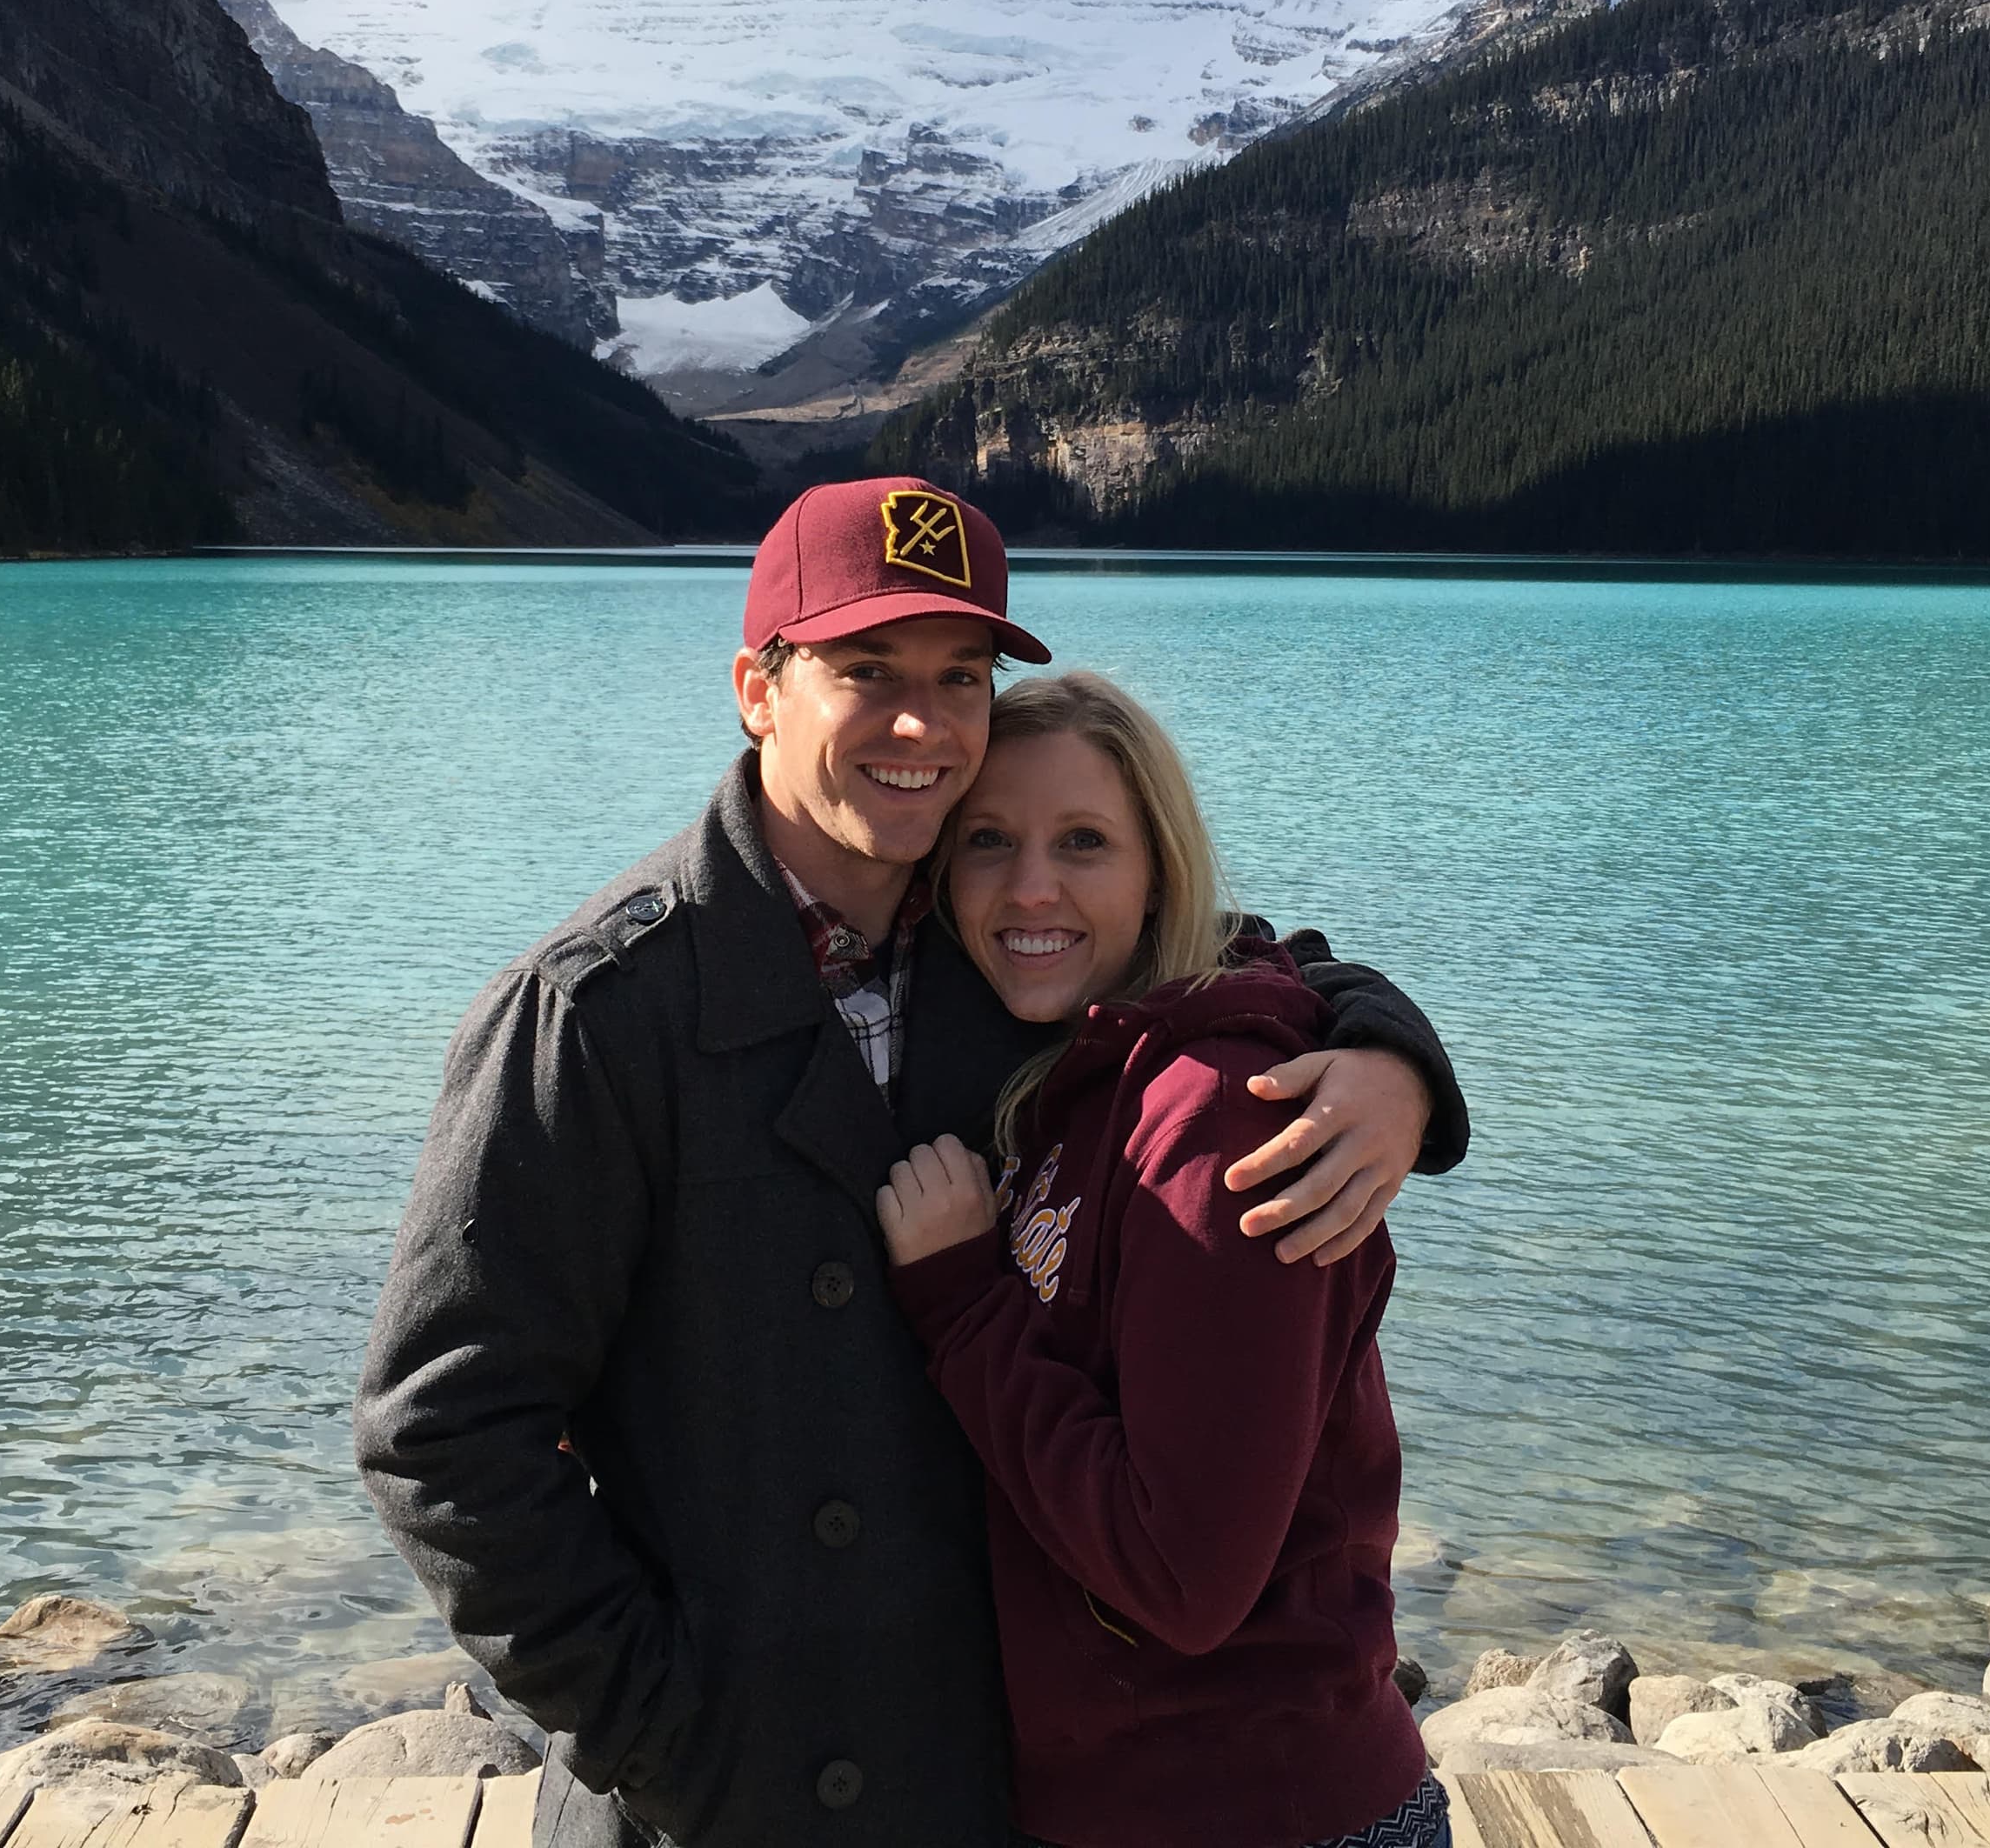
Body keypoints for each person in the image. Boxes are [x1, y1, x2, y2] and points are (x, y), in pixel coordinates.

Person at [357, 476, 1467, 1847]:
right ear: (757, 690)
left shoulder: (1003, 950)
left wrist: (1389, 1053)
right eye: (865, 669)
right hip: (713, 1805)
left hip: (976, 1790)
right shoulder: (599, 1013)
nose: (920, 725)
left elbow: (1221, 957)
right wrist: (657, 1726)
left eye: (960, 678)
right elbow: (444, 1432)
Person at [878, 671, 1441, 1848]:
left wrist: (960, 1307)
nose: (1032, 885)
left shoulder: (1221, 1125)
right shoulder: (1069, 1070)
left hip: (1260, 1814)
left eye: (1084, 841)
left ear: (1158, 870)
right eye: (988, 841)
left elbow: (1185, 1575)